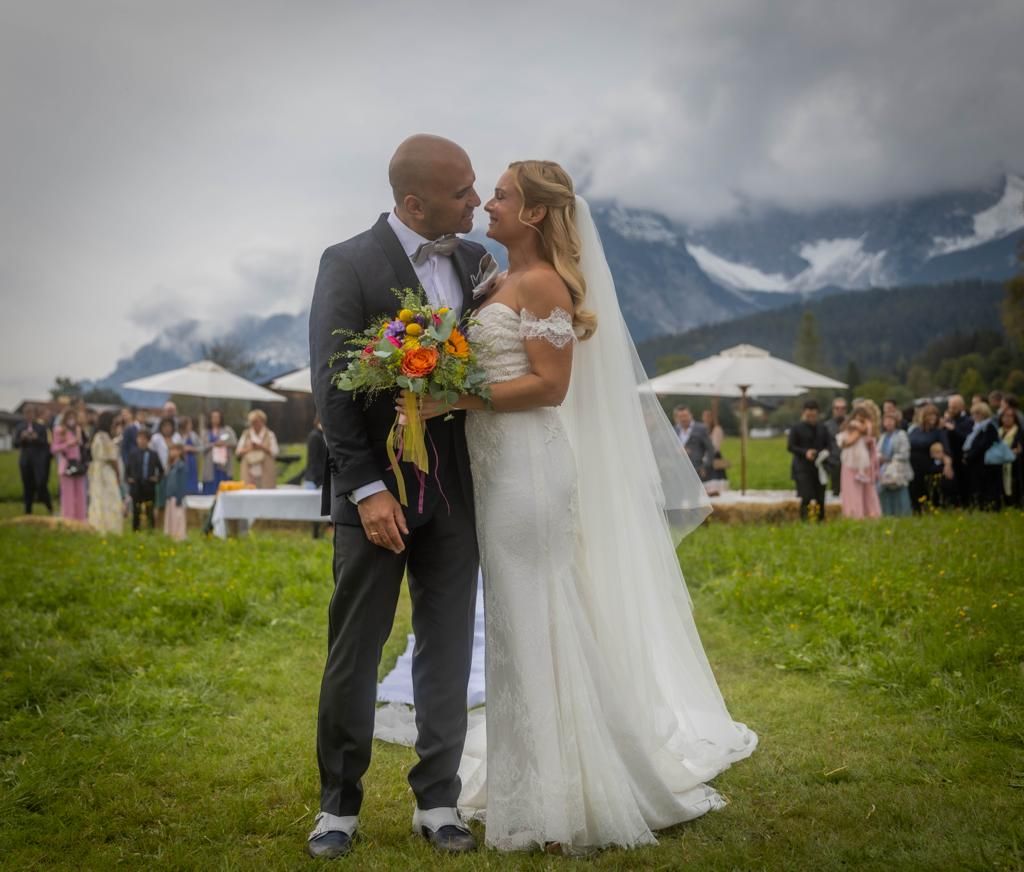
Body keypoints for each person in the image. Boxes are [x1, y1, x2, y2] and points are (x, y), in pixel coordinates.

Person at [416, 160, 756, 853]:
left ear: (536, 213)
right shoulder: (495, 279)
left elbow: (549, 387)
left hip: (530, 473)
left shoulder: (541, 283)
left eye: (503, 196)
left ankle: (568, 795)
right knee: (518, 625)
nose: (489, 204)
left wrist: (454, 398)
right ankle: (536, 780)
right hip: (496, 469)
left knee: (541, 617)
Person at [307, 135, 485, 858]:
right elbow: (332, 387)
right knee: (356, 649)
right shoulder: (347, 262)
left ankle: (438, 801)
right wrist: (368, 490)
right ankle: (338, 808)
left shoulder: (478, 265)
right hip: (374, 496)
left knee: (446, 649)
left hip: (456, 494)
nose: (476, 202)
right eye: (463, 192)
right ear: (415, 203)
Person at [788, 399, 829, 522]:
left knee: (820, 497)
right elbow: (791, 446)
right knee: (806, 496)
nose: (811, 417)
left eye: (814, 415)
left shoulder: (823, 428)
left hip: (820, 467)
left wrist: (823, 453)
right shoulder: (796, 428)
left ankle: (820, 520)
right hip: (802, 468)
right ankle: (805, 520)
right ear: (804, 413)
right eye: (809, 415)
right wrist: (805, 452)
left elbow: (828, 445)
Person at [836, 407, 881, 519]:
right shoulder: (849, 431)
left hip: (864, 465)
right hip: (850, 464)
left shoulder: (867, 431)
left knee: (867, 492)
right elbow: (846, 443)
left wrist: (862, 430)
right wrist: (858, 431)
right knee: (852, 492)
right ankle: (855, 515)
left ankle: (868, 514)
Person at [908, 404, 953, 512]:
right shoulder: (915, 431)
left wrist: (948, 465)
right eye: (930, 415)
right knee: (914, 491)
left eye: (935, 415)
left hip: (928, 466)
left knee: (928, 492)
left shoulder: (939, 432)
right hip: (913, 466)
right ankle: (916, 511)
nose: (933, 417)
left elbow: (946, 450)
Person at [88, 411, 124, 535]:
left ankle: (99, 525)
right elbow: (112, 458)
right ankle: (109, 527)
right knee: (110, 498)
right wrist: (118, 475)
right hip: (106, 472)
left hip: (98, 471)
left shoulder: (98, 436)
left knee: (99, 498)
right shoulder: (103, 437)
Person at [961, 401, 1001, 510]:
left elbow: (983, 445)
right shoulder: (976, 428)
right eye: (973, 413)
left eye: (977, 413)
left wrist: (969, 456)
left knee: (989, 486)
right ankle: (982, 506)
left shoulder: (989, 426)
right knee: (979, 487)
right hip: (977, 464)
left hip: (987, 463)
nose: (975, 416)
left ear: (984, 413)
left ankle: (992, 507)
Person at [14, 405, 53, 515]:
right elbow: (16, 444)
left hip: (39, 461)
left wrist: (36, 438)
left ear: (34, 414)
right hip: (25, 460)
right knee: (27, 485)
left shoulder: (41, 427)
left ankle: (49, 506)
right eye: (27, 413)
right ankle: (28, 510)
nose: (29, 415)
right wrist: (22, 438)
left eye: (31, 413)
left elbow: (46, 444)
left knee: (41, 484)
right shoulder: (20, 427)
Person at [50, 408, 87, 522]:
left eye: (74, 417)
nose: (72, 420)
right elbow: (54, 448)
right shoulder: (59, 430)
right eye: (70, 417)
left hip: (79, 465)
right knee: (68, 495)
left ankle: (81, 519)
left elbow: (83, 447)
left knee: (81, 494)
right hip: (66, 465)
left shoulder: (78, 430)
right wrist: (68, 444)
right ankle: (68, 520)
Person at [877, 408, 913, 516]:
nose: (888, 423)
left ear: (895, 422)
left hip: (898, 471)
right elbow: (878, 451)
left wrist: (889, 459)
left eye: (891, 420)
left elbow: (905, 453)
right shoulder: (882, 437)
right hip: (884, 471)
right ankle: (887, 516)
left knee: (900, 495)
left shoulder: (901, 434)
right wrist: (880, 458)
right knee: (885, 494)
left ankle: (903, 516)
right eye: (886, 420)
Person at [126, 429, 163, 531]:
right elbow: (127, 470)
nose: (141, 441)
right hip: (136, 486)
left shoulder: (153, 454)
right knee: (136, 510)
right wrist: (129, 479)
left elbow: (161, 470)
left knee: (149, 509)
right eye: (139, 438)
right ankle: (135, 529)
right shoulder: (133, 454)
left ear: (148, 440)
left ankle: (151, 529)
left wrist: (156, 479)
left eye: (144, 438)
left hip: (149, 485)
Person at [942, 394, 973, 507]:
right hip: (951, 457)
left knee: (964, 485)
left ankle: (967, 506)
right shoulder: (949, 420)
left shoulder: (968, 421)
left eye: (954, 407)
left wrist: (954, 429)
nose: (951, 410)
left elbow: (968, 439)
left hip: (963, 459)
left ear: (962, 407)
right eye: (950, 407)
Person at [236, 409, 279, 488]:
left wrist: (261, 447)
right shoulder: (246, 434)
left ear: (263, 421)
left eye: (257, 421)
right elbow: (238, 452)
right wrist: (250, 448)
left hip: (266, 472)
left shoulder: (270, 434)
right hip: (249, 472)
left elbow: (275, 452)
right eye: (253, 422)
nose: (255, 424)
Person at [672, 405, 714, 480]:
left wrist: (705, 466)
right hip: (678, 471)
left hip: (697, 471)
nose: (683, 419)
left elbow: (710, 450)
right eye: (680, 416)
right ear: (676, 418)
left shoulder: (701, 428)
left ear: (691, 415)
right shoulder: (674, 430)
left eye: (685, 416)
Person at [201, 409, 237, 493]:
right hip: (210, 465)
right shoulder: (206, 432)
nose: (215, 419)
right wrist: (213, 444)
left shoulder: (227, 430)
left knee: (224, 485)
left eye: (217, 417)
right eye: (213, 417)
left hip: (224, 465)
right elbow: (202, 447)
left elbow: (234, 443)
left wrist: (224, 444)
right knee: (211, 486)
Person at [996, 406, 1023, 507]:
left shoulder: (1019, 432)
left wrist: (1011, 452)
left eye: (1010, 416)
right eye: (1004, 416)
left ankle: (1017, 504)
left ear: (1014, 418)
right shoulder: (998, 432)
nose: (1007, 419)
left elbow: (1020, 449)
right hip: (999, 464)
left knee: (1014, 485)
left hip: (1015, 465)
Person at [163, 443, 188, 541]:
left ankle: (179, 537)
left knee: (178, 518)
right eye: (171, 450)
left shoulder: (181, 466)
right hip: (170, 496)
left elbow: (181, 483)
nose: (172, 452)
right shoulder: (171, 466)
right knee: (171, 518)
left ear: (180, 452)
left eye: (174, 450)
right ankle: (170, 535)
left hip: (177, 497)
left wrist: (179, 497)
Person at [823, 396, 847, 496]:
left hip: (849, 462)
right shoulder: (826, 426)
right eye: (837, 408)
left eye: (842, 408)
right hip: (833, 462)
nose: (839, 411)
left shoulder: (851, 424)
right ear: (833, 410)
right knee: (835, 491)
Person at [701, 408, 728, 492]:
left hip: (713, 456)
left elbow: (715, 446)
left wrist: (706, 455)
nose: (706, 418)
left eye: (708, 416)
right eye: (705, 416)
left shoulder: (717, 429)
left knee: (715, 480)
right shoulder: (702, 428)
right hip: (703, 457)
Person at [177, 416, 201, 495]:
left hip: (192, 461)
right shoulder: (178, 436)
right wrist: (182, 449)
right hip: (181, 461)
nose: (191, 425)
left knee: (192, 478)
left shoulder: (193, 435)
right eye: (189, 424)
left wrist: (192, 449)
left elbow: (200, 448)